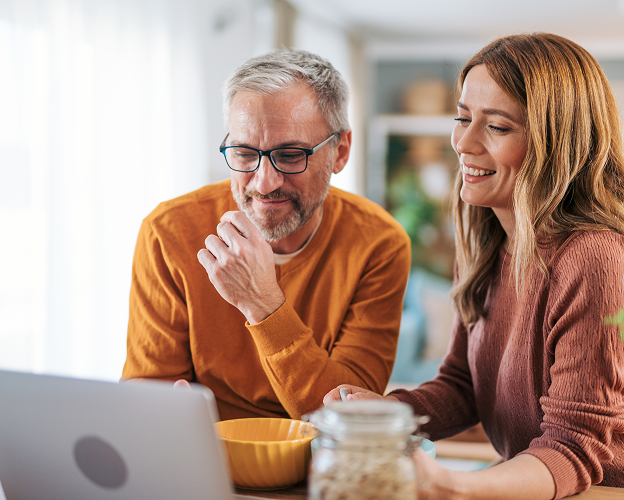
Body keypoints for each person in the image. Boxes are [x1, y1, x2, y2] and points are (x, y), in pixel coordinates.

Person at [324, 33, 624, 499]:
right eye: (462, 118)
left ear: (556, 144)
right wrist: (385, 412)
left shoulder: (595, 257)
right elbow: (461, 387)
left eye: (497, 128)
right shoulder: (486, 241)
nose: (463, 142)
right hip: (546, 481)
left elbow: (573, 448)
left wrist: (453, 485)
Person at [122, 49, 411, 421]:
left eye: (290, 155)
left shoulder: (378, 244)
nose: (265, 182)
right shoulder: (169, 232)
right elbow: (147, 399)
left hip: (318, 468)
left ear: (340, 151)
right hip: (204, 461)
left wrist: (262, 304)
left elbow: (351, 418)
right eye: (244, 153)